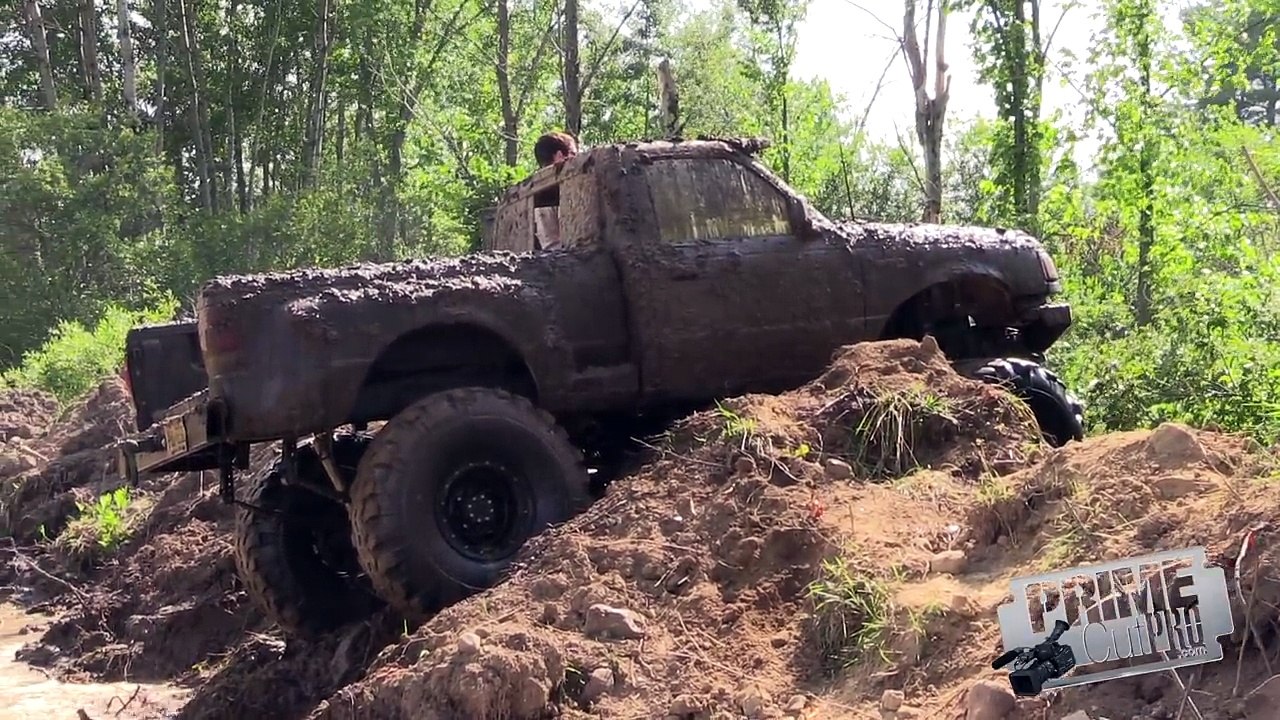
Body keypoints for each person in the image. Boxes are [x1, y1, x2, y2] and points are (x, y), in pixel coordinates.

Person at [532, 131, 578, 249]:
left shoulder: (535, 190)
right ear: (559, 156)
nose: (576, 158)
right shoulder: (560, 189)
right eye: (573, 154)